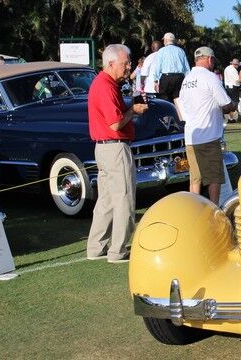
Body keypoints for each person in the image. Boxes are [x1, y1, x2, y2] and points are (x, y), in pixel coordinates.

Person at [86, 44, 148, 263]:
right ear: (111, 63)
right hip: (114, 146)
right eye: (125, 63)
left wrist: (130, 107)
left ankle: (96, 247)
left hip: (104, 148)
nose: (128, 67)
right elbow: (115, 124)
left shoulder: (106, 84)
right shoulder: (105, 85)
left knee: (107, 199)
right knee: (123, 198)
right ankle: (118, 250)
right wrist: (134, 110)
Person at [176, 46, 236, 205]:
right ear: (210, 59)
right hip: (209, 135)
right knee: (214, 177)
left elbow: (182, 107)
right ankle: (214, 209)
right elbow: (226, 104)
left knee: (195, 178)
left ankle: (194, 210)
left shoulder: (186, 80)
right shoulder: (210, 77)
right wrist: (233, 106)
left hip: (190, 135)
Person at [152, 32, 190, 103]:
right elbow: (187, 69)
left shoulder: (161, 51)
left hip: (166, 78)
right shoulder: (181, 51)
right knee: (178, 101)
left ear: (166, 40)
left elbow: (157, 67)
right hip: (179, 78)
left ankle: (167, 113)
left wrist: (156, 81)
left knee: (164, 102)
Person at [224, 58, 241, 123]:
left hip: (228, 87)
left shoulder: (227, 68)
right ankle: (231, 118)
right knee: (234, 103)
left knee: (230, 103)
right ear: (236, 65)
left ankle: (230, 118)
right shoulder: (233, 70)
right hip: (233, 87)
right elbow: (237, 79)